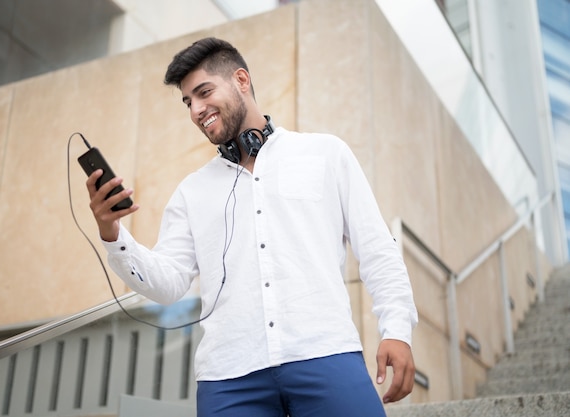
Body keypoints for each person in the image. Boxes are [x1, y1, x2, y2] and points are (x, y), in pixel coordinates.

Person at [86, 37, 418, 417]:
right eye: (187, 102)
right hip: (228, 378)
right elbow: (168, 284)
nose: (196, 109)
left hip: (325, 352)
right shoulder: (191, 192)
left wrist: (396, 329)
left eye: (203, 92)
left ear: (241, 80)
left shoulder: (326, 153)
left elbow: (376, 249)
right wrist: (111, 233)